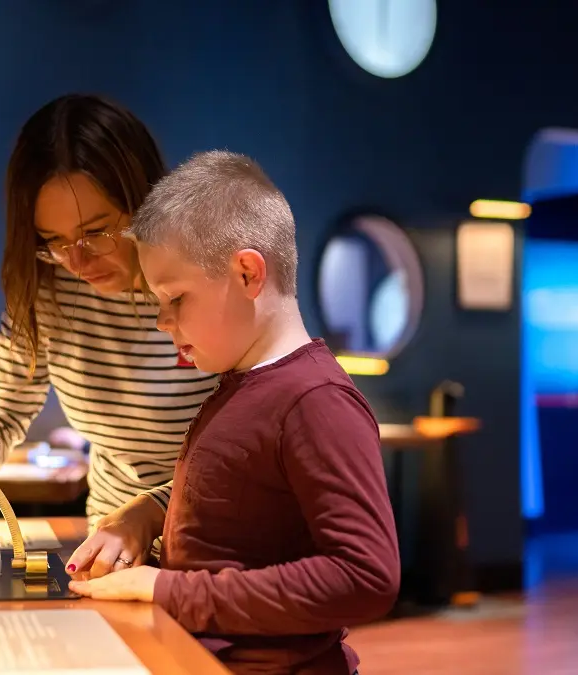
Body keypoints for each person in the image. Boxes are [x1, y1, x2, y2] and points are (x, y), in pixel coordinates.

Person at [67, 150, 400, 675]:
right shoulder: (239, 385)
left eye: (175, 298)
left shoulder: (315, 401)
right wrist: (145, 519)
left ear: (247, 273)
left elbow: (365, 577)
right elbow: (237, 511)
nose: (162, 321)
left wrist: (166, 588)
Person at [0, 95, 220, 569]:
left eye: (97, 232)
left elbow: (247, 457)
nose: (78, 262)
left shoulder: (206, 281)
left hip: (213, 552)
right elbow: (3, 402)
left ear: (146, 200)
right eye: (55, 242)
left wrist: (150, 513)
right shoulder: (53, 286)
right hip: (111, 552)